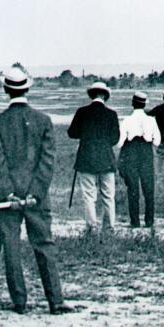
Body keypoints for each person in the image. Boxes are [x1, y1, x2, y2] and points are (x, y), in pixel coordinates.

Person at [0, 69, 72, 313]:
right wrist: (35, 192)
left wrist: (8, 193)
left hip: (8, 199)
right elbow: (47, 161)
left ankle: (19, 302)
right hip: (36, 197)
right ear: (28, 88)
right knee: (44, 244)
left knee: (11, 247)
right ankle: (55, 301)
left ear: (5, 90)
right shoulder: (43, 120)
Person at [67, 81, 120, 233]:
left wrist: (86, 134)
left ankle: (91, 227)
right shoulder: (112, 114)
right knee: (108, 195)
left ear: (92, 95)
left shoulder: (81, 112)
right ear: (105, 95)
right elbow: (115, 139)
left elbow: (72, 133)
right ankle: (109, 227)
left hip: (86, 158)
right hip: (106, 159)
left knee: (89, 195)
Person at [117, 91, 162, 227]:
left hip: (131, 153)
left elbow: (119, 143)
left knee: (133, 188)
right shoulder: (151, 120)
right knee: (149, 188)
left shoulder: (127, 120)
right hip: (146, 153)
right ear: (144, 105)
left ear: (132, 104)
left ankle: (135, 221)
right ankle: (149, 220)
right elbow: (157, 141)